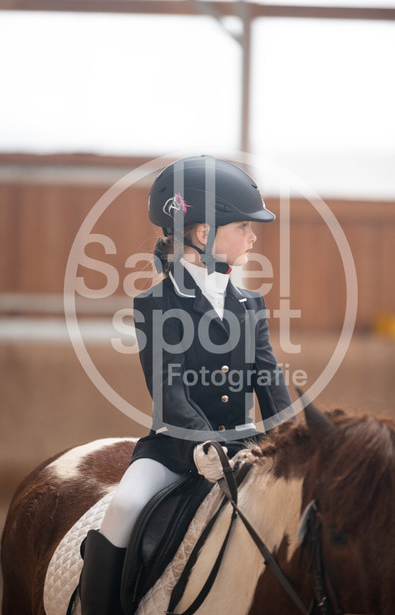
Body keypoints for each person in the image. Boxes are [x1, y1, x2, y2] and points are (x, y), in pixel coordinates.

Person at [79, 155, 293, 614]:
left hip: (245, 444)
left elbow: (269, 379)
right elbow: (170, 390)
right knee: (124, 507)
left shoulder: (250, 303)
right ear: (204, 233)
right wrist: (204, 443)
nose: (253, 237)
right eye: (243, 227)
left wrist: (294, 436)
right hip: (177, 449)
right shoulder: (156, 303)